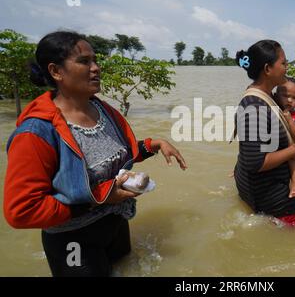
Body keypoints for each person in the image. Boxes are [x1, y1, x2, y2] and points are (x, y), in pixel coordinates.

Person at [3, 31, 187, 277]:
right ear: (56, 71)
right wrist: (95, 201)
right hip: (74, 240)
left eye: (95, 60)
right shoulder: (37, 132)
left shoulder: (103, 110)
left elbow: (118, 154)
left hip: (116, 221)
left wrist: (154, 144)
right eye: (84, 61)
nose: (96, 68)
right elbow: (22, 210)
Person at [233, 40, 295, 227]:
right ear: (268, 69)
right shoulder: (256, 107)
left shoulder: (265, 96)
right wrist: (293, 151)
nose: (287, 68)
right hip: (267, 193)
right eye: (283, 63)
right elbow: (256, 162)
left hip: (251, 186)